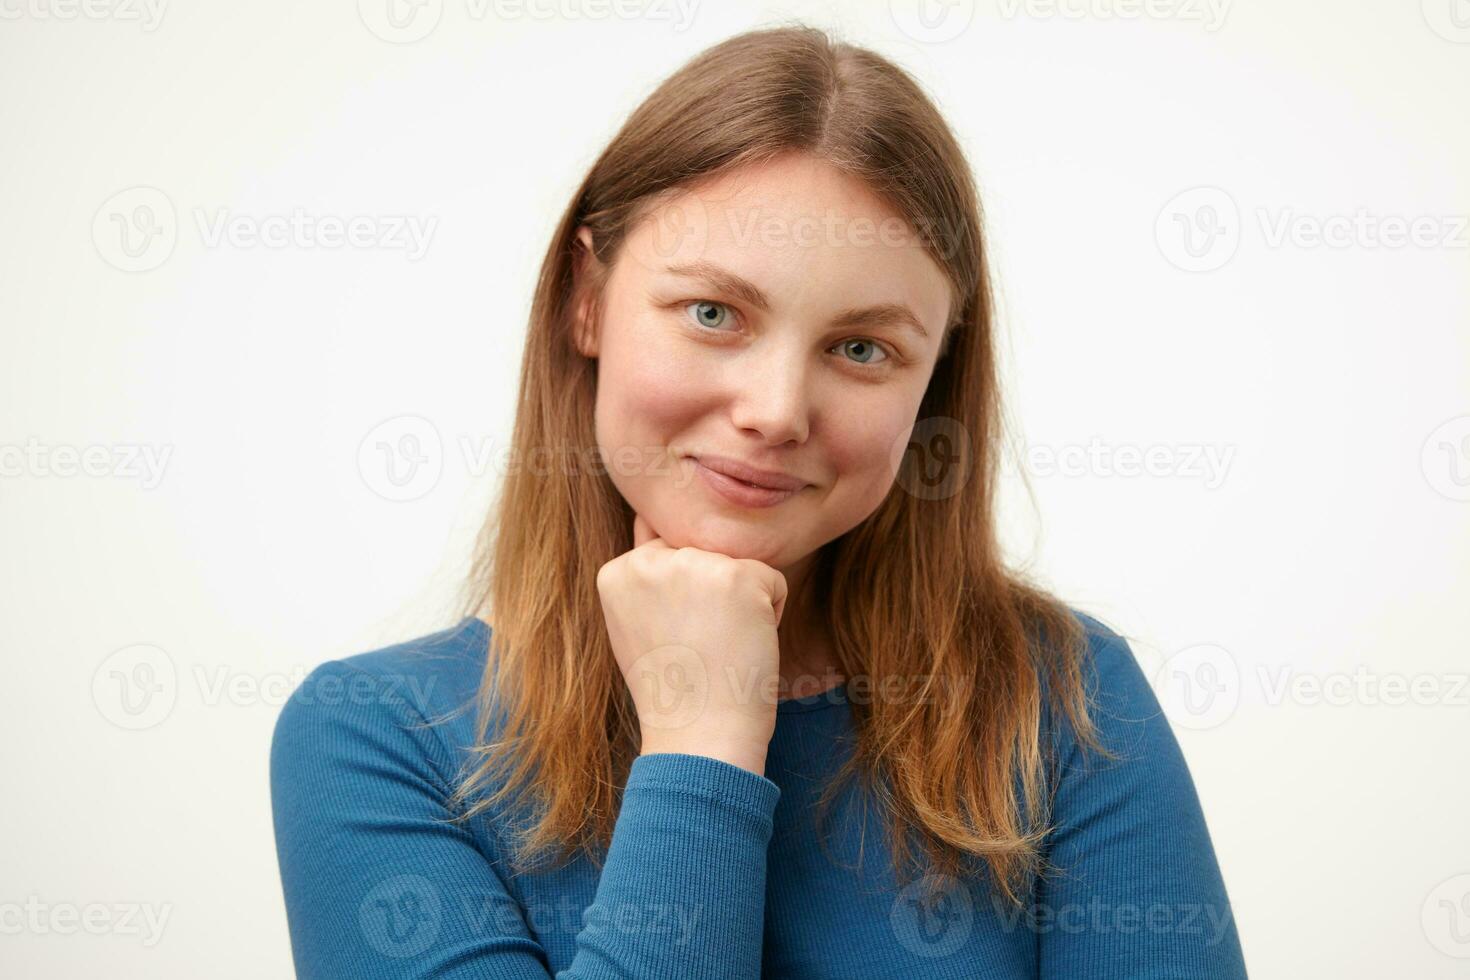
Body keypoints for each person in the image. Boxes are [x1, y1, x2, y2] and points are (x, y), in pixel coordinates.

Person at [270, 24, 1248, 979]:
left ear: (934, 379)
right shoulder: (383, 739)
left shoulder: (1064, 703)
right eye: (713, 313)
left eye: (862, 347)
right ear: (585, 296)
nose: (775, 411)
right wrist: (704, 737)